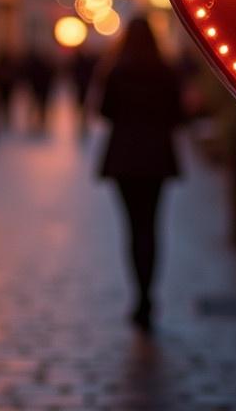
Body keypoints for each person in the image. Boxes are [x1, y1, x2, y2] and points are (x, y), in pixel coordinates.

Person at [97, 17, 183, 332]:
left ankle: (139, 296)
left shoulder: (116, 71)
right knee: (152, 226)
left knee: (133, 228)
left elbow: (104, 111)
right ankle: (149, 295)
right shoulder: (165, 72)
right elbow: (178, 116)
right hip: (157, 158)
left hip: (124, 159)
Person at [23, 47, 55, 132]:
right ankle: (37, 122)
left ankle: (37, 122)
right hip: (40, 88)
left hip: (39, 88)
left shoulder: (37, 65)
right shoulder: (46, 65)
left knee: (38, 106)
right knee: (39, 106)